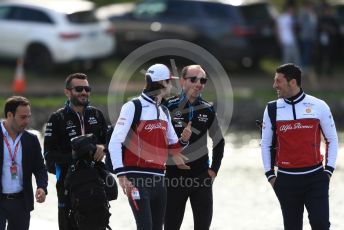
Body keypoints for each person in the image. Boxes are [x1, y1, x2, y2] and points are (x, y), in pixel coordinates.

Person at [108, 63, 191, 230]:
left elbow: (172, 148)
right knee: (145, 227)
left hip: (159, 179)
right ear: (161, 83)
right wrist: (121, 175)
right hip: (136, 178)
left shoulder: (164, 111)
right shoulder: (133, 107)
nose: (171, 85)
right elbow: (114, 142)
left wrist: (183, 140)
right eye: (169, 81)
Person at [260, 63, 338, 230]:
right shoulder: (272, 109)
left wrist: (328, 171)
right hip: (286, 180)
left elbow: (332, 139)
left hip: (316, 178)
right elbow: (265, 144)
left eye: (278, 81)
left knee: (321, 225)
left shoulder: (319, 105)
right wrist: (270, 176)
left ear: (292, 82)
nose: (274, 85)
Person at [164, 65, 225, 230]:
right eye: (194, 79)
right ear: (183, 81)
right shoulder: (168, 107)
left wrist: (214, 170)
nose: (199, 84)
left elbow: (218, 140)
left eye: (203, 80)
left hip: (201, 176)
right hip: (174, 178)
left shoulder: (207, 108)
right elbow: (158, 142)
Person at [44, 73, 108, 230]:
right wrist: (73, 156)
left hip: (95, 182)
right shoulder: (57, 118)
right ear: (68, 92)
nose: (84, 92)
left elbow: (110, 145)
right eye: (79, 89)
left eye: (87, 88)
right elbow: (48, 155)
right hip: (68, 184)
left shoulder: (97, 115)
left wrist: (102, 147)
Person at [0, 96, 48, 230]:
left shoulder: (31, 140)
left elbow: (39, 168)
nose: (27, 121)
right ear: (10, 115)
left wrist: (41, 187)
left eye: (28, 116)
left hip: (21, 202)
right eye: (23, 117)